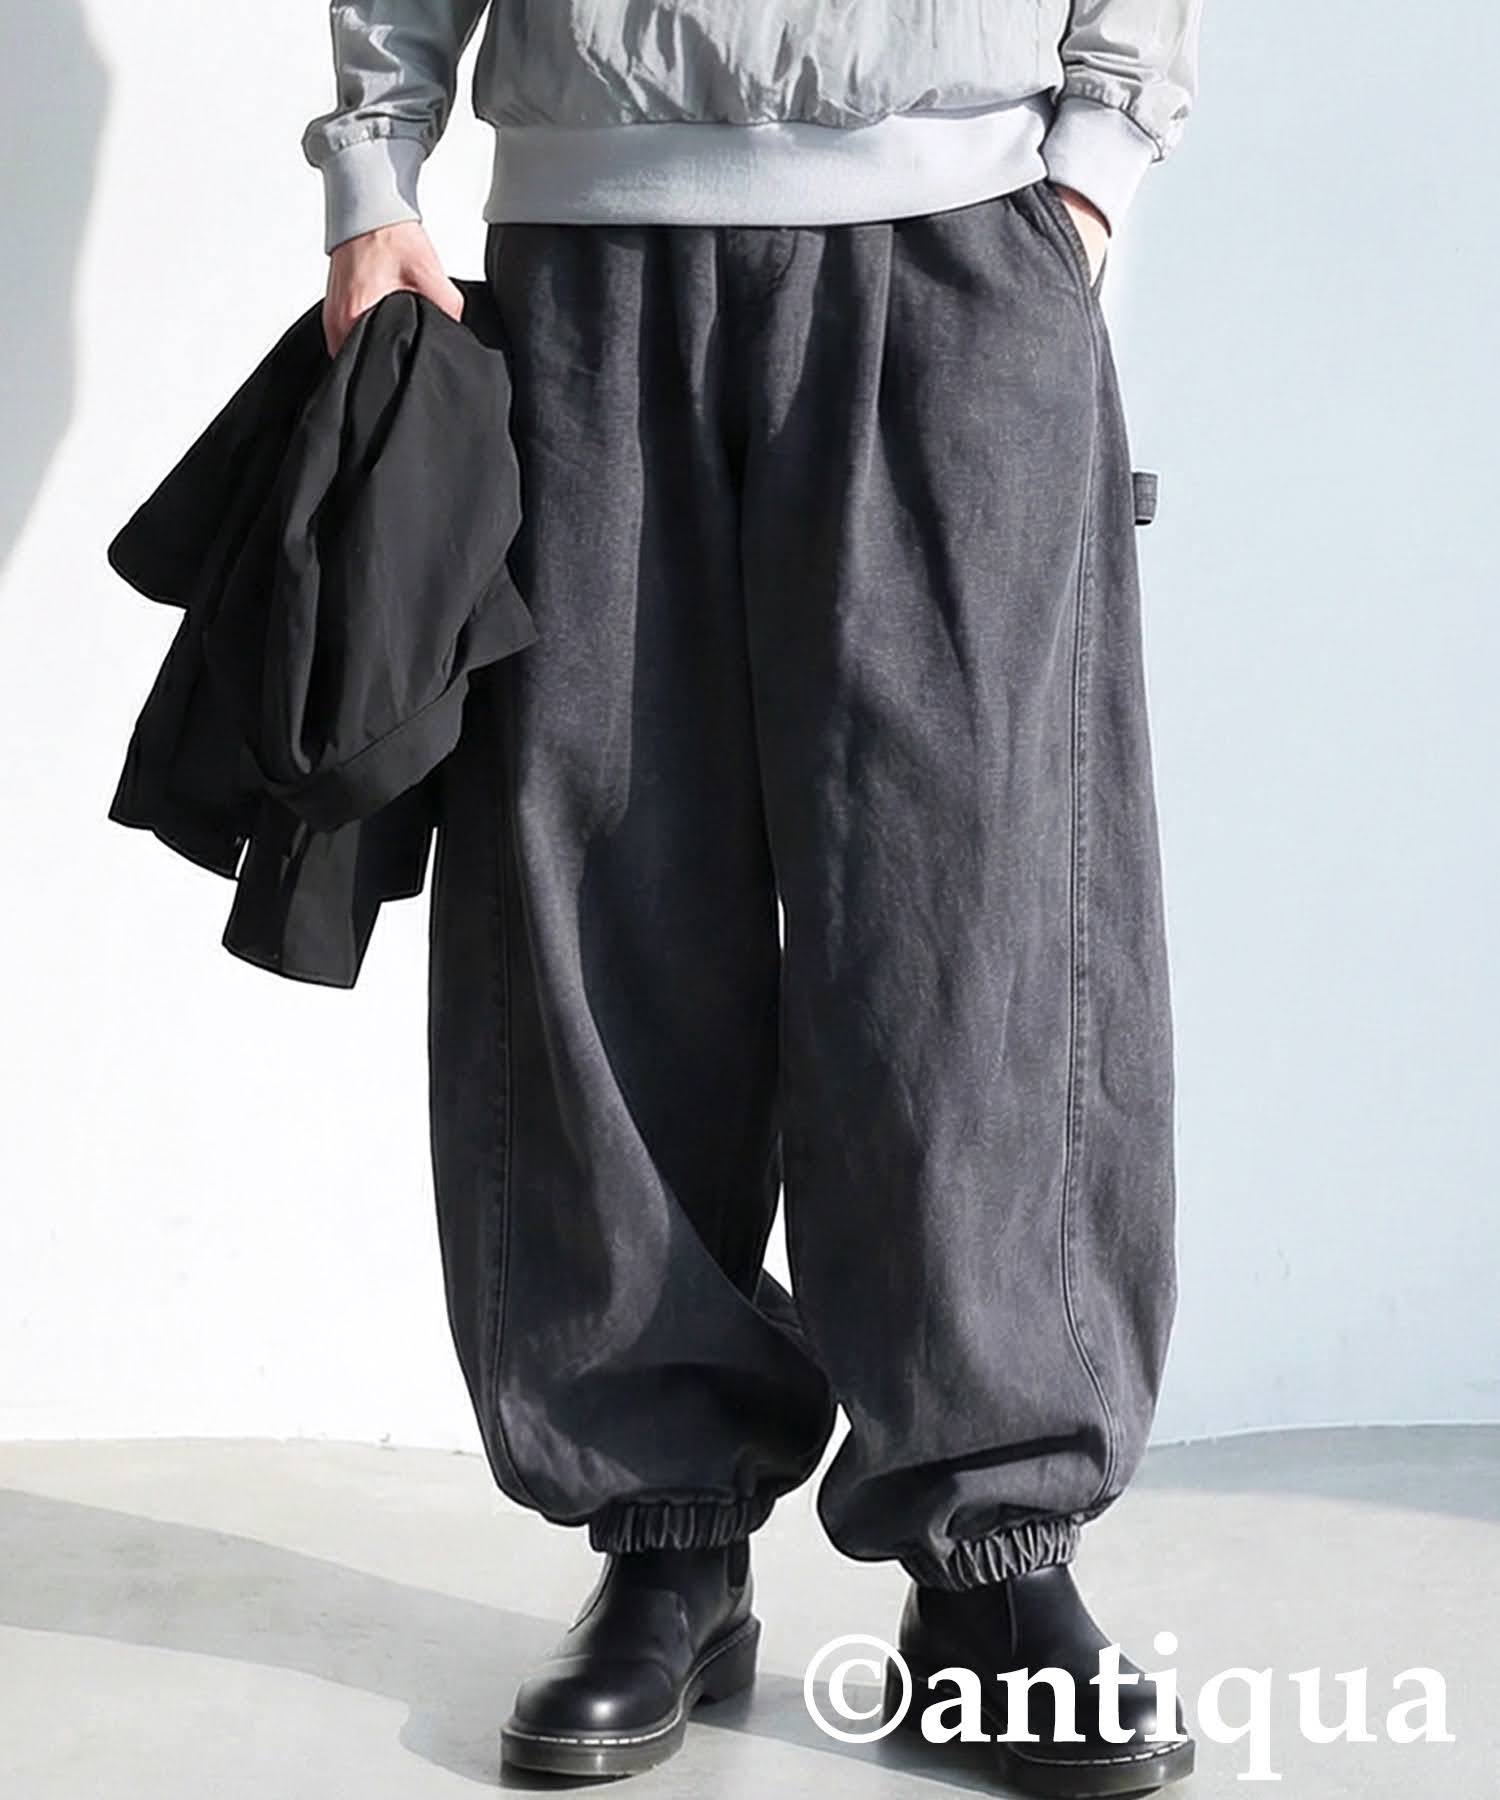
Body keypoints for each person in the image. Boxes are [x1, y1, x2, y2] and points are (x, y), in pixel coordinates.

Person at [303, 3, 1203, 1791]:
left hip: (958, 246)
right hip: (587, 263)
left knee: (971, 926)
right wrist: (373, 165)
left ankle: (993, 1561)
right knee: (601, 905)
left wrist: (1094, 165)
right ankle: (666, 1545)